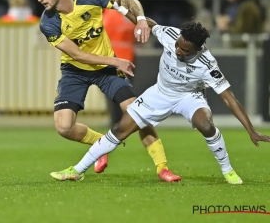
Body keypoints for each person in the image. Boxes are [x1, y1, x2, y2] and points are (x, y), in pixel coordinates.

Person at [50, 16, 270, 184]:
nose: (178, 51)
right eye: (178, 46)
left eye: (185, 50)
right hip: (160, 93)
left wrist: (250, 129)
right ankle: (77, 170)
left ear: (198, 49)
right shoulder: (172, 35)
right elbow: (147, 22)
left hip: (188, 96)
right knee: (120, 128)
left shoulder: (208, 65)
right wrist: (122, 5)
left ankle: (227, 170)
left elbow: (229, 98)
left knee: (205, 125)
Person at [33, 0, 181, 182]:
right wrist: (115, 60)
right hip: (75, 71)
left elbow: (131, 2)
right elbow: (77, 54)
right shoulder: (48, 23)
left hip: (106, 71)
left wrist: (140, 19)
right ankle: (100, 142)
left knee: (137, 112)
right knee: (64, 127)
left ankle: (162, 168)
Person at [103, 9, 135, 127]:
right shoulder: (130, 15)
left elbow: (102, 33)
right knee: (125, 92)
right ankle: (125, 120)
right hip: (129, 57)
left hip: (112, 57)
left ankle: (115, 121)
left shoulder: (109, 14)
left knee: (111, 92)